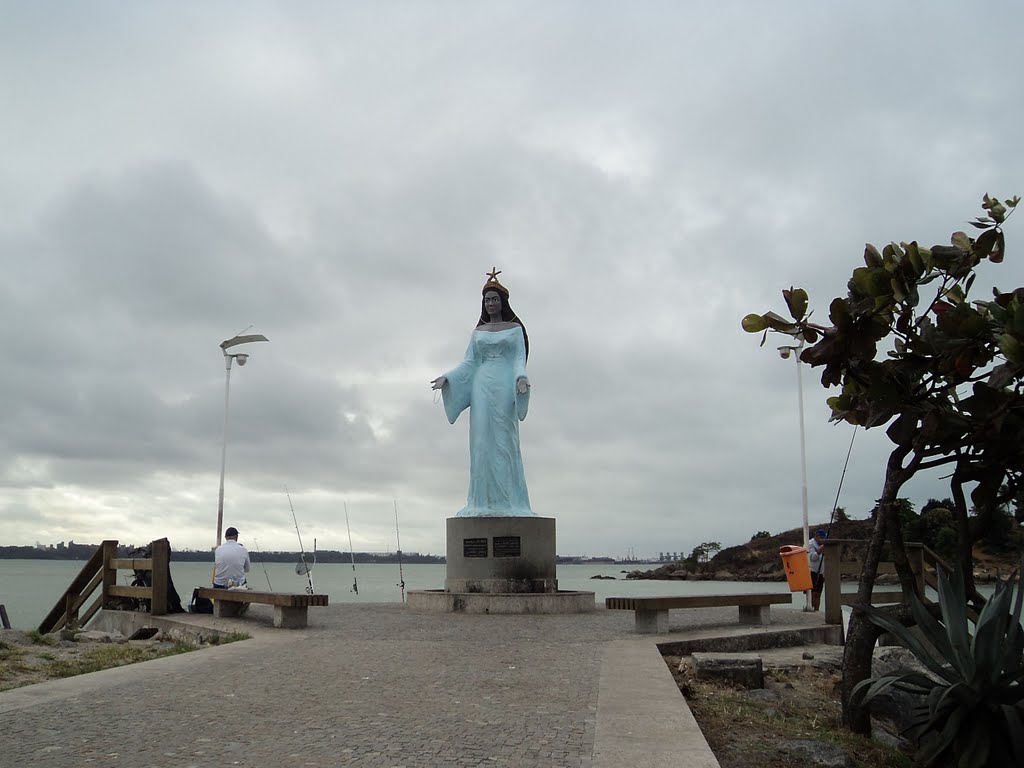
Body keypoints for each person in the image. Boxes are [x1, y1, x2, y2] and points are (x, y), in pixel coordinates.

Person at [431, 268, 534, 517]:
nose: (490, 304)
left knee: (504, 440)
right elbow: (469, 362)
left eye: (494, 299)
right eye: (487, 300)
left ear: (503, 302)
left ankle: (511, 502)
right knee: (481, 442)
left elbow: (519, 358)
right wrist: (448, 377)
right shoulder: (478, 333)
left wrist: (521, 378)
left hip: (504, 385)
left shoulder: (514, 329)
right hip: (481, 385)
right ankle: (480, 502)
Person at [808, 528, 827, 611]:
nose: (823, 540)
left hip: (821, 572)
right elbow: (813, 557)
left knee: (818, 593)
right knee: (813, 593)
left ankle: (817, 610)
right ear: (817, 536)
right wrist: (821, 549)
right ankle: (811, 609)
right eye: (821, 538)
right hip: (812, 571)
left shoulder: (823, 544)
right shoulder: (810, 544)